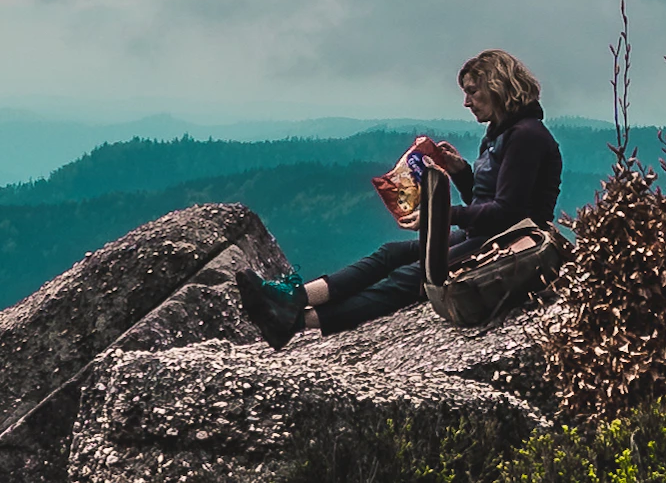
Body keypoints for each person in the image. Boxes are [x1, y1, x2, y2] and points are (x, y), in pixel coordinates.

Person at [236, 48, 563, 346]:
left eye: (472, 91)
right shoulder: (502, 133)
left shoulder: (526, 137)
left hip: (509, 245)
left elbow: (508, 213)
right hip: (488, 236)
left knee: (413, 275)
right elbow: (488, 203)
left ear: (497, 87)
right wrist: (462, 172)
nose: (466, 102)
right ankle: (295, 298)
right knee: (391, 253)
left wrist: (442, 215)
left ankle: (296, 322)